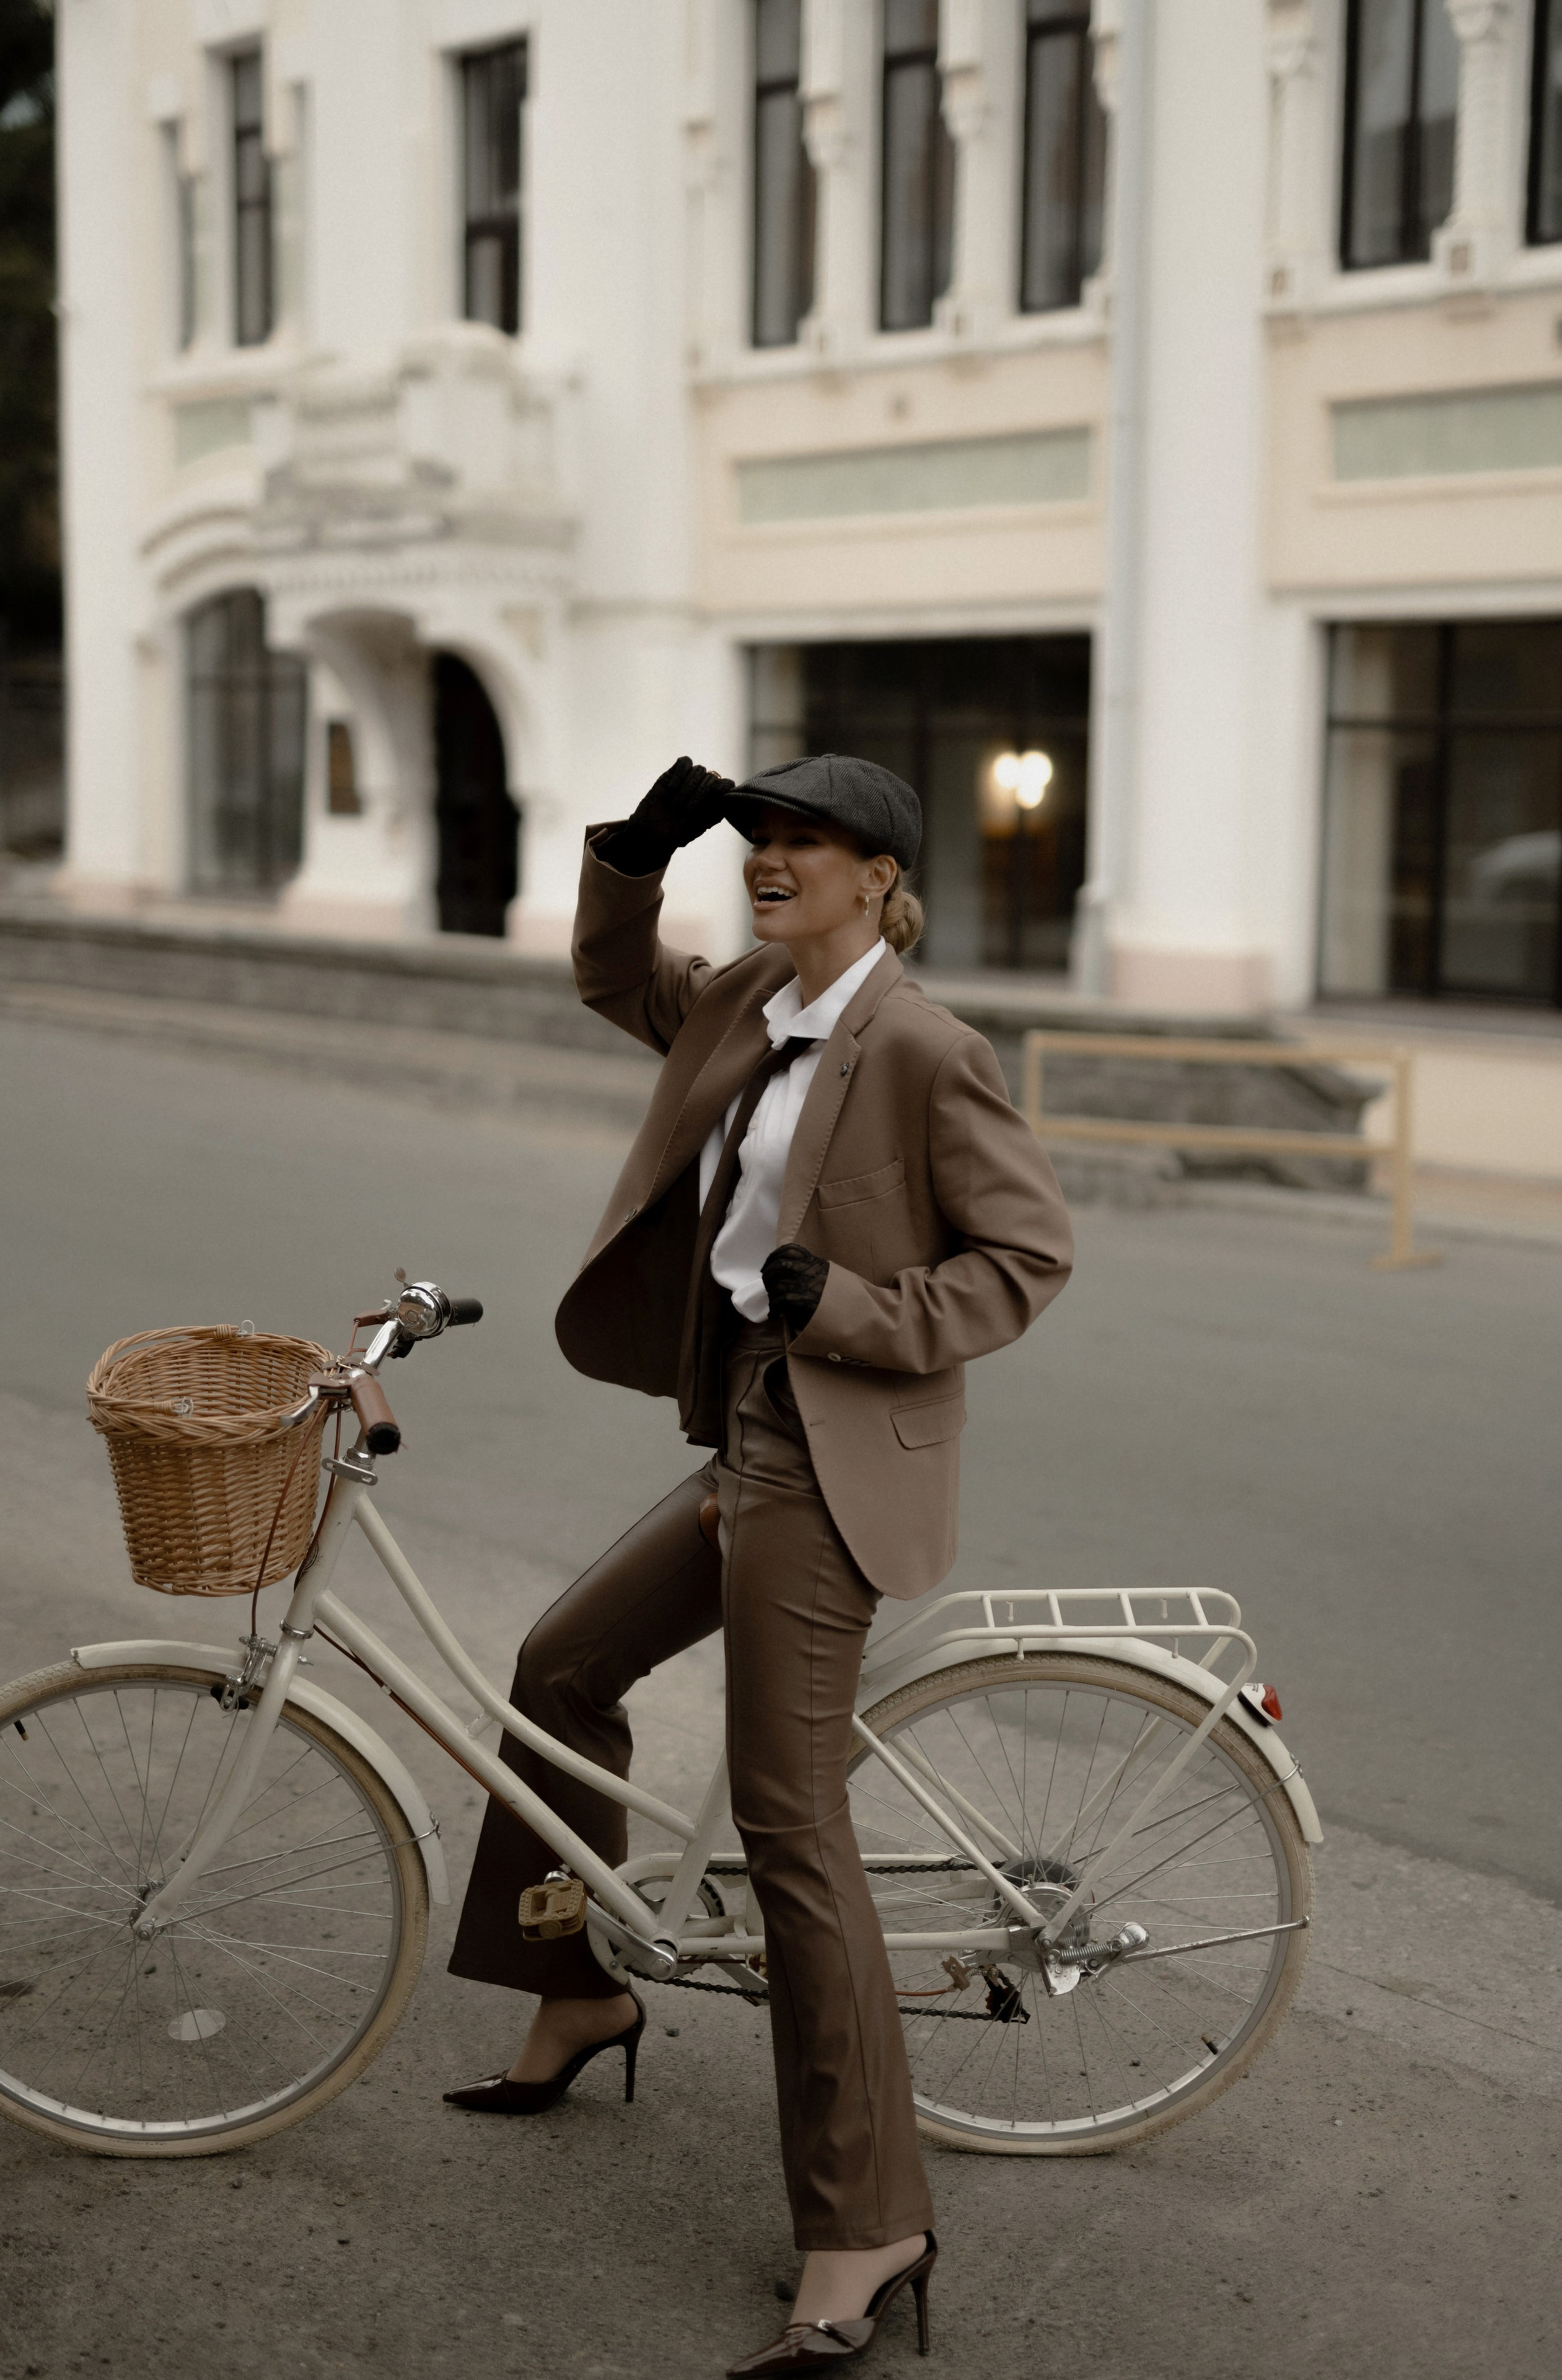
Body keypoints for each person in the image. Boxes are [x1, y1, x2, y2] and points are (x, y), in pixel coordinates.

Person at [444, 753, 1073, 2374]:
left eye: (806, 842)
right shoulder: (744, 1003)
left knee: (792, 1827)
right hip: (741, 1428)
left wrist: (847, 1306)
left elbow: (1026, 1258)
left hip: (831, 1446)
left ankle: (869, 2222)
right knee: (559, 1669)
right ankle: (581, 1989)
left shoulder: (925, 1047)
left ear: (883, 878)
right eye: (759, 839)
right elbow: (613, 978)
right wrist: (630, 855)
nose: (771, 860)